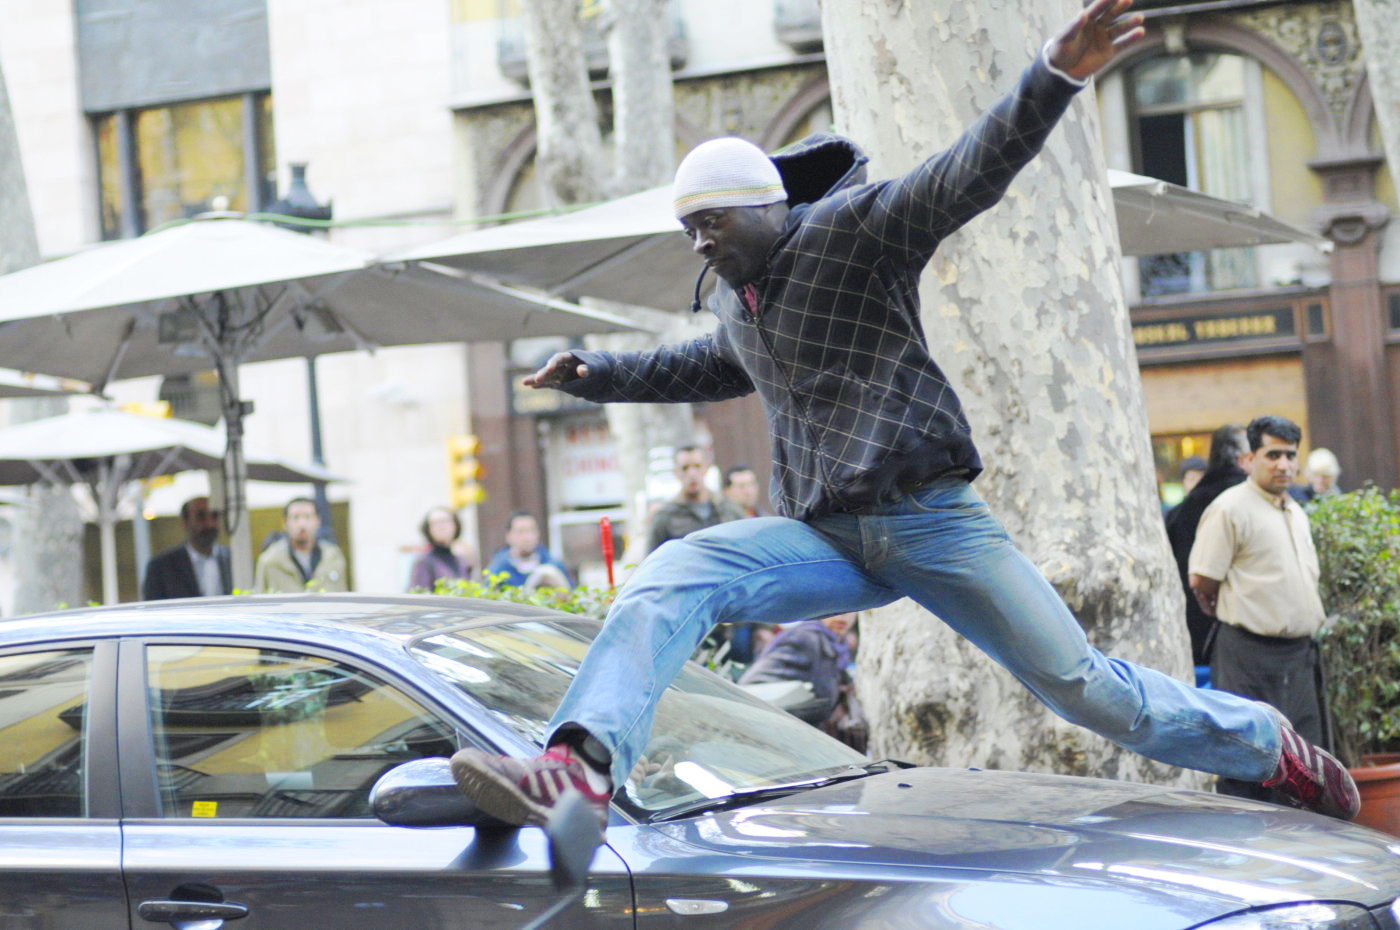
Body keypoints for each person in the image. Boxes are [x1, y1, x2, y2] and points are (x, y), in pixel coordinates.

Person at [450, 0, 1359, 829]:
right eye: (689, 232)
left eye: (711, 226)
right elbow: (700, 364)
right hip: (829, 542)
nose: (699, 246)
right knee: (679, 569)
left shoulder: (856, 232)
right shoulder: (736, 306)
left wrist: (1055, 75)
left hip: (933, 527)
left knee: (1086, 691)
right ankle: (578, 770)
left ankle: (1266, 747)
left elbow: (967, 173)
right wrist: (595, 376)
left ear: (762, 207)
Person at [1188, 416, 1334, 805]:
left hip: (1299, 656)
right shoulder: (1229, 508)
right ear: (1250, 459)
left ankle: (1305, 852)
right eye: (1273, 455)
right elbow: (1203, 582)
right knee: (1248, 757)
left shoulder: (1296, 511)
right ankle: (1247, 855)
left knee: (1305, 764)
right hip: (1247, 653)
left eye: (1290, 455)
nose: (1283, 464)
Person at [1164, 425, 1249, 666]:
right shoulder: (1247, 499)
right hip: (1244, 626)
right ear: (1242, 457)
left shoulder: (1184, 508)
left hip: (1193, 623)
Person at [738, 613, 854, 725]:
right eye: (837, 609)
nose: (842, 617)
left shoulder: (838, 645)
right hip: (777, 724)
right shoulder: (805, 637)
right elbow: (757, 684)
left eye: (851, 611)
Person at [646, 445, 744, 553]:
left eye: (697, 466)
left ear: (706, 468)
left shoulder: (728, 509)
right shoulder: (665, 517)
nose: (692, 474)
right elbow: (653, 562)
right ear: (676, 472)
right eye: (685, 468)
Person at [142, 496, 231, 600]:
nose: (209, 524)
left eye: (214, 516)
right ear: (184, 522)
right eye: (201, 517)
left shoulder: (233, 560)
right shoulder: (161, 567)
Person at [254, 497, 349, 593]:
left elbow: (342, 596)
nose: (302, 524)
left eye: (307, 517)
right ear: (285, 522)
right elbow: (260, 599)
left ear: (318, 521)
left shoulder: (333, 557)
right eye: (296, 517)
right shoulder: (270, 561)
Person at [484, 511, 572, 589]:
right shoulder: (498, 569)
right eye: (520, 531)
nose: (527, 537)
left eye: (531, 530)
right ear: (509, 536)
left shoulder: (552, 563)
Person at [408, 506, 475, 591]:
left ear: (455, 525)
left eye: (445, 521)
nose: (441, 527)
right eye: (435, 523)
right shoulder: (423, 562)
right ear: (428, 529)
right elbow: (418, 598)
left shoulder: (462, 561)